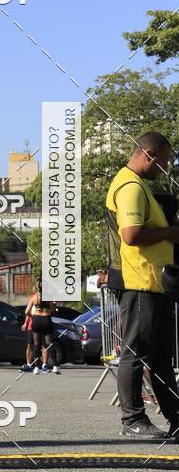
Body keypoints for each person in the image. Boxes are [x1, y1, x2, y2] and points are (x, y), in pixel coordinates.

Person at [106, 131, 179, 439]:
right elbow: (131, 235)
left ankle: (176, 418)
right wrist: (171, 233)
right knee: (135, 353)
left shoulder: (141, 187)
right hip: (138, 281)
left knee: (162, 355)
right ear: (148, 155)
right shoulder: (130, 186)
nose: (164, 169)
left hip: (155, 282)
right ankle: (133, 419)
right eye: (163, 162)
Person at [25, 281, 59, 375]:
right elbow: (52, 309)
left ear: (38, 287)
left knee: (37, 344)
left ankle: (36, 367)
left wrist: (32, 316)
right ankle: (55, 366)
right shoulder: (50, 297)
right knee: (50, 343)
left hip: (36, 319)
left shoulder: (34, 297)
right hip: (47, 319)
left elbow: (26, 311)